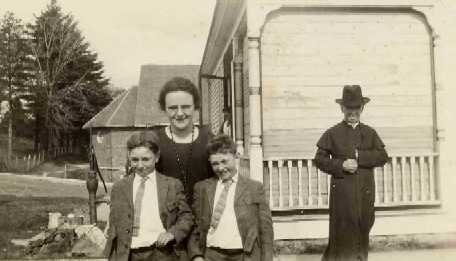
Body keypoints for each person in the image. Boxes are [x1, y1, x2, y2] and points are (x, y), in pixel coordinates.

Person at [314, 85, 388, 261]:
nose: (352, 112)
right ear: (342, 108)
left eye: (356, 108)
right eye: (348, 108)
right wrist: (341, 165)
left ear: (362, 108)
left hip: (364, 194)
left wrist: (360, 157)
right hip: (342, 197)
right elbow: (319, 159)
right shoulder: (333, 133)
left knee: (362, 234)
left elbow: (383, 156)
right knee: (341, 239)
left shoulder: (370, 133)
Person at [104, 131, 194, 261]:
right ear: (129, 157)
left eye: (146, 159)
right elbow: (113, 221)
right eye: (135, 160)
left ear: (156, 157)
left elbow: (187, 217)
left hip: (162, 254)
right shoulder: (119, 188)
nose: (140, 165)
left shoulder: (172, 185)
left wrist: (172, 233)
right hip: (128, 255)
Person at [188, 134, 273, 261]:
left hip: (245, 256)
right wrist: (196, 255)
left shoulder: (254, 188)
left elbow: (265, 231)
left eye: (224, 161)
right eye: (215, 164)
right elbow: (194, 226)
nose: (220, 168)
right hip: (212, 255)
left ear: (236, 156)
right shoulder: (202, 188)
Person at [155, 77, 214, 204]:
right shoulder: (154, 142)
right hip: (167, 217)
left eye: (186, 107)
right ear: (164, 108)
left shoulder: (210, 140)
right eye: (173, 108)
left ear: (195, 107)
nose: (180, 113)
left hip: (204, 215)